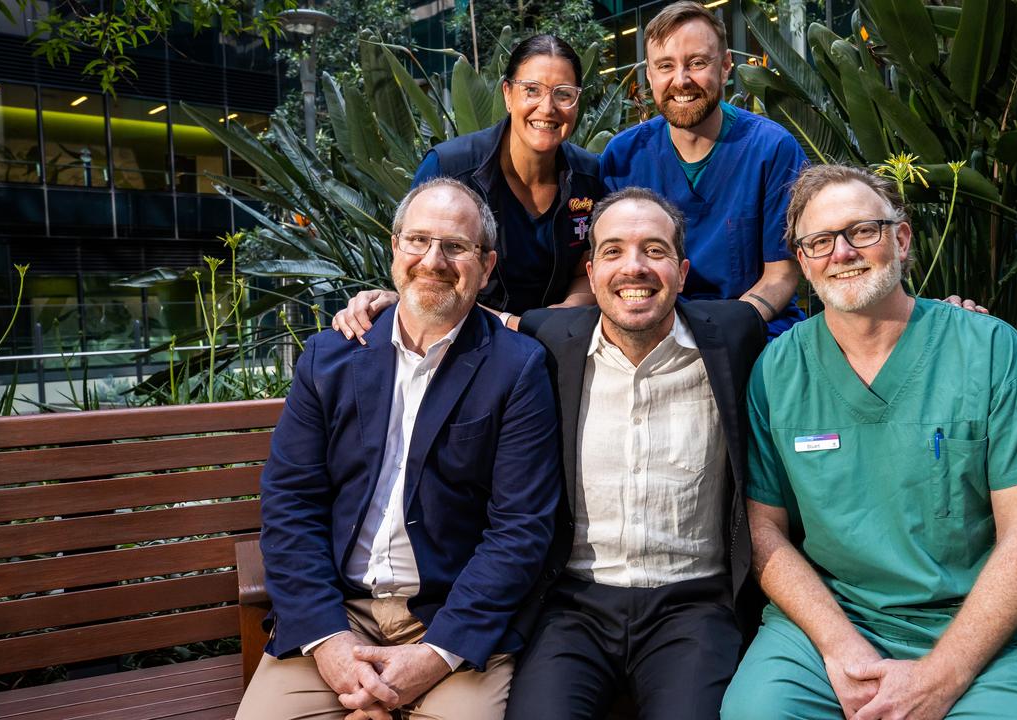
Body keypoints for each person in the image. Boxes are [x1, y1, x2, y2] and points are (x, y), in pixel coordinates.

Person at [720, 164, 1017, 720]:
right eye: (819, 241)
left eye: (862, 231)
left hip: (986, 636)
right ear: (802, 260)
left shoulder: (989, 352)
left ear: (902, 237)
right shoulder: (779, 370)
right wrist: (841, 648)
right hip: (834, 625)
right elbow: (763, 529)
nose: (841, 253)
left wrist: (942, 677)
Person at [237, 178, 562, 720]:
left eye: (456, 247)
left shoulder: (517, 368)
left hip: (451, 621)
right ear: (395, 249)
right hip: (336, 615)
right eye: (418, 241)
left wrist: (436, 655)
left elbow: (521, 529)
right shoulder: (329, 358)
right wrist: (330, 645)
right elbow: (291, 506)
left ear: (486, 267)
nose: (433, 260)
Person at [506, 187, 768, 720]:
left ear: (682, 270)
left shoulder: (733, 336)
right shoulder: (551, 336)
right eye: (613, 251)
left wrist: (940, 315)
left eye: (654, 250)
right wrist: (389, 301)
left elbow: (841, 330)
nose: (634, 268)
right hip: (575, 607)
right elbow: (469, 318)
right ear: (592, 269)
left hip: (693, 606)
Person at [342, 34, 606, 332]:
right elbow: (423, 273)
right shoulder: (450, 169)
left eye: (563, 93)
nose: (547, 108)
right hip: (465, 342)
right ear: (507, 94)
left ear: (577, 101)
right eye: (531, 90)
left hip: (560, 341)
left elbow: (589, 267)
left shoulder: (589, 175)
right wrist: (515, 325)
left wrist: (562, 316)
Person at [600, 1, 806, 338]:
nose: (681, 80)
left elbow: (781, 274)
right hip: (652, 332)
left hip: (751, 328)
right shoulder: (623, 157)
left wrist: (719, 331)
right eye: (665, 66)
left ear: (725, 67)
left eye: (697, 63)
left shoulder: (772, 150)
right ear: (649, 75)